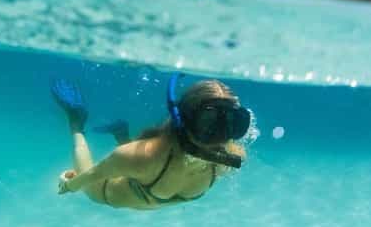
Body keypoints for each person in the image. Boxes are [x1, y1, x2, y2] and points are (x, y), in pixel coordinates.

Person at [52, 74, 251, 210]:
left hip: (139, 175)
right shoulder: (140, 156)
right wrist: (69, 185)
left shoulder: (232, 155)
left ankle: (120, 132)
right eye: (208, 122)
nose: (218, 137)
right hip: (104, 192)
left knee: (136, 166)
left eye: (232, 124)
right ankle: (76, 120)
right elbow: (93, 175)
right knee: (90, 191)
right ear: (183, 119)